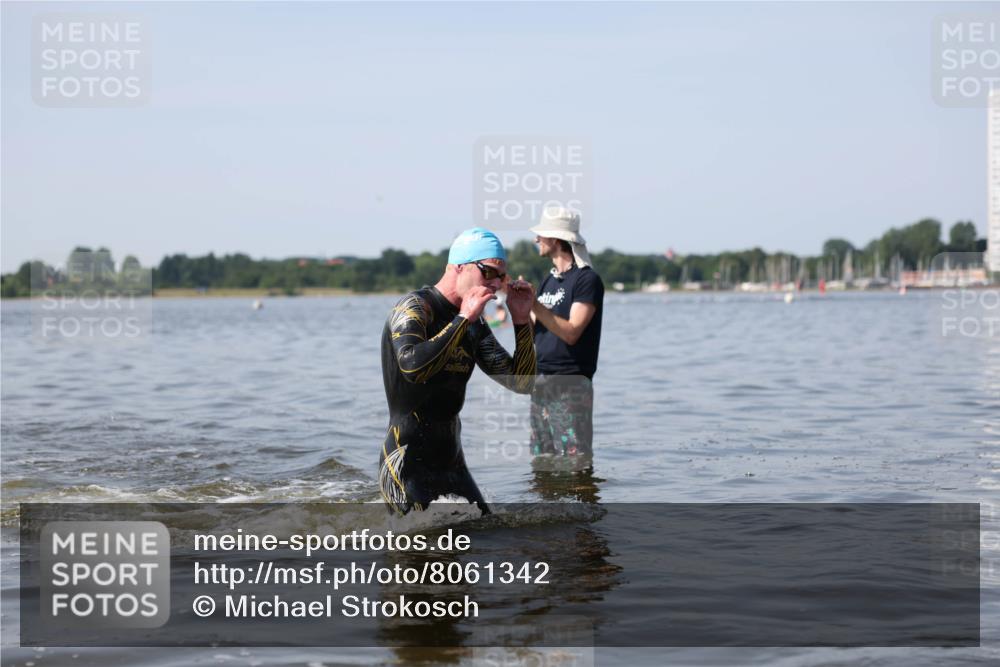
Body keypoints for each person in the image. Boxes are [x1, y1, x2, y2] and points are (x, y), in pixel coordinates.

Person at [378, 228, 536, 515]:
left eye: (502, 276)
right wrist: (463, 319)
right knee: (417, 553)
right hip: (406, 465)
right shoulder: (414, 308)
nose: (498, 284)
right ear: (459, 267)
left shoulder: (473, 324)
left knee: (487, 535)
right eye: (489, 273)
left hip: (451, 463)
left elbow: (522, 383)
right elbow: (414, 367)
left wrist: (522, 321)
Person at [528, 207, 604, 459]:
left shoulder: (586, 280)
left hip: (571, 383)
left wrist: (534, 304)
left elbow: (572, 332)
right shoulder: (547, 281)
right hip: (542, 381)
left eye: (541, 234)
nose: (535, 239)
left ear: (556, 239)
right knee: (542, 461)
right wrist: (519, 306)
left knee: (575, 461)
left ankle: (583, 498)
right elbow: (535, 330)